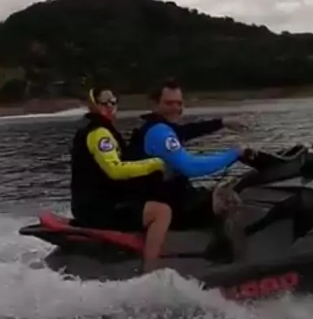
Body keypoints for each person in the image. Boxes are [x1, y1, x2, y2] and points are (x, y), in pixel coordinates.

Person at [128, 78, 251, 232]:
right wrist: (234, 154)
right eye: (169, 103)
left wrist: (223, 122)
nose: (176, 108)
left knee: (220, 192)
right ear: (154, 105)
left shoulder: (158, 126)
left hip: (169, 197)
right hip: (167, 206)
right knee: (228, 202)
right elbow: (190, 167)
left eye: (179, 103)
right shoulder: (159, 132)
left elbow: (189, 130)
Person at [70, 87, 172, 268]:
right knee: (161, 212)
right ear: (94, 105)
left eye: (113, 102)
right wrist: (155, 164)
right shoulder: (99, 133)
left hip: (90, 204)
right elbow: (114, 169)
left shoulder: (95, 129)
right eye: (104, 103)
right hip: (96, 209)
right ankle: (151, 271)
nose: (110, 107)